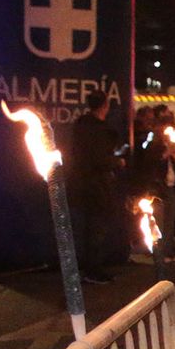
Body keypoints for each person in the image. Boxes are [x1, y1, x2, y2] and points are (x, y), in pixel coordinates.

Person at [66, 90, 124, 283]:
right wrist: (117, 162)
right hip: (97, 185)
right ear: (105, 106)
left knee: (91, 227)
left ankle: (91, 267)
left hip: (84, 183)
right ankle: (94, 270)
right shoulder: (98, 130)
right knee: (97, 228)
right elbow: (99, 158)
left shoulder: (81, 127)